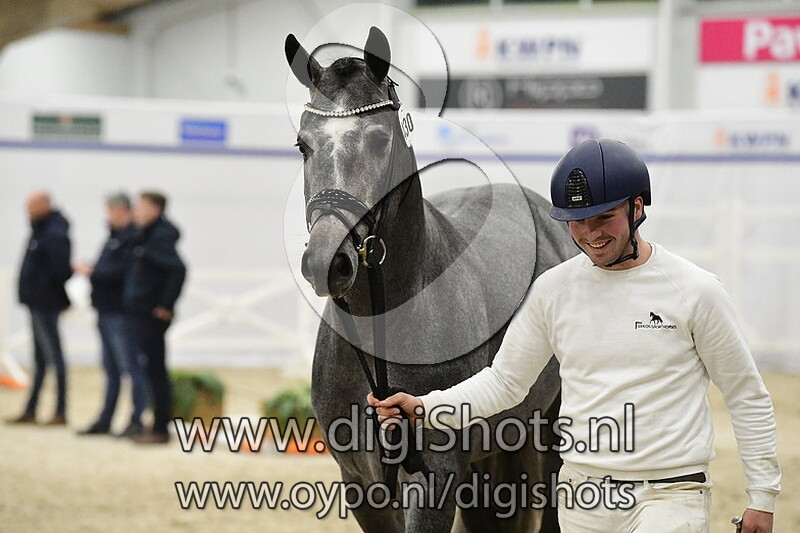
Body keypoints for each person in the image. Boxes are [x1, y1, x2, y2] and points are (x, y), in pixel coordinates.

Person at [369, 139, 780, 533]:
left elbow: (746, 394)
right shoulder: (552, 291)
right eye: (577, 221)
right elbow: (505, 382)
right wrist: (425, 407)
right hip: (583, 498)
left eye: (604, 217)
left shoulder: (696, 291)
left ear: (637, 208)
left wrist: (762, 496)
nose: (590, 233)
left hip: (669, 496)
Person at [75, 192, 148, 438]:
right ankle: (106, 419)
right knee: (111, 369)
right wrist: (95, 270)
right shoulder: (115, 237)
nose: (108, 216)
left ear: (122, 211)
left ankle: (137, 419)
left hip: (121, 312)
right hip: (105, 309)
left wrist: (93, 272)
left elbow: (122, 273)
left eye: (111, 211)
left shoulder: (132, 238)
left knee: (132, 368)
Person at [124, 191, 186, 444]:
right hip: (141, 311)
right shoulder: (146, 235)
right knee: (151, 369)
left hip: (152, 314)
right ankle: (156, 423)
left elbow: (178, 269)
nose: (136, 211)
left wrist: (165, 304)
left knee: (155, 370)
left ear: (155, 209)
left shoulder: (159, 237)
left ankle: (160, 428)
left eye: (141, 207)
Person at [7, 191, 72, 426]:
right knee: (40, 359)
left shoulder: (54, 233)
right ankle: (31, 408)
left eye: (32, 205)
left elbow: (60, 269)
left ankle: (60, 410)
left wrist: (47, 291)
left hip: (46, 303)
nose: (28, 210)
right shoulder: (41, 229)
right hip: (36, 302)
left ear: (45, 205)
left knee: (55, 357)